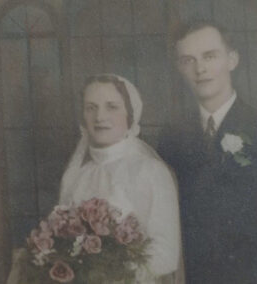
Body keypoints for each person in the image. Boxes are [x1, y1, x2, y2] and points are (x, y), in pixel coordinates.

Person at [157, 20, 257, 283]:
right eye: (188, 60)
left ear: (232, 59)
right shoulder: (172, 137)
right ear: (180, 68)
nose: (200, 69)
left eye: (210, 56)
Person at [59, 74, 181, 284]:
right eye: (91, 108)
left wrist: (112, 275)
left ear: (130, 115)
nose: (100, 117)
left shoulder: (150, 171)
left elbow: (167, 254)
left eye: (112, 107)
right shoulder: (76, 175)